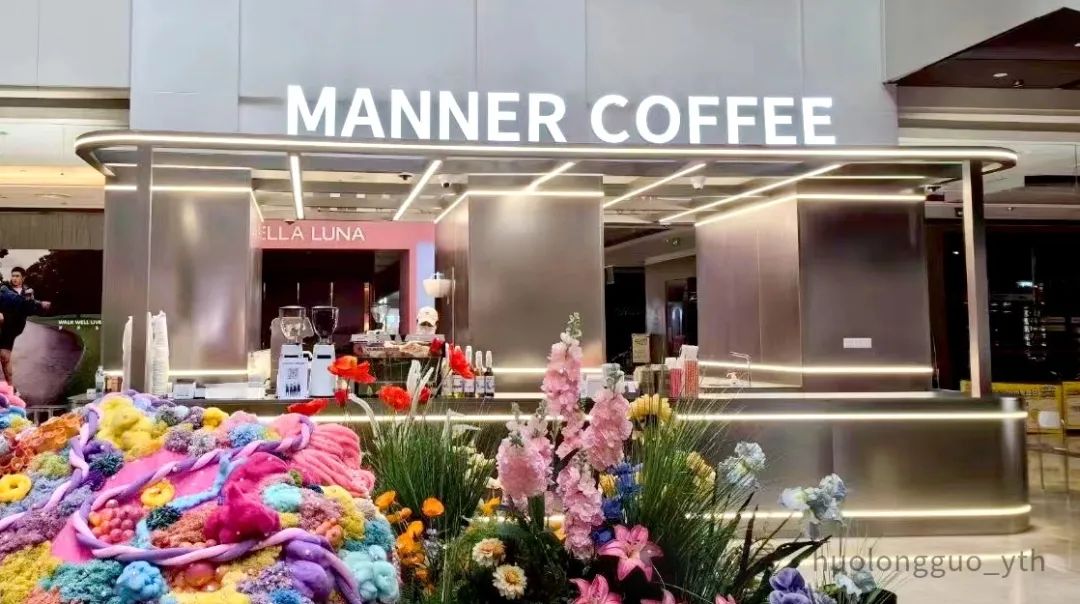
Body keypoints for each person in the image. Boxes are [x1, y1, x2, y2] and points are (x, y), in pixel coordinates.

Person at [0, 267, 51, 388]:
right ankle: (11, 387)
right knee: (4, 357)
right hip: (3, 321)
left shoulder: (28, 292)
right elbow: (10, 298)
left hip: (14, 326)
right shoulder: (4, 288)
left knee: (5, 357)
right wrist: (38, 303)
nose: (14, 278)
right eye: (13, 276)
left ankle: (11, 389)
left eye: (17, 276)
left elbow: (30, 310)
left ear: (23, 278)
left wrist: (34, 303)